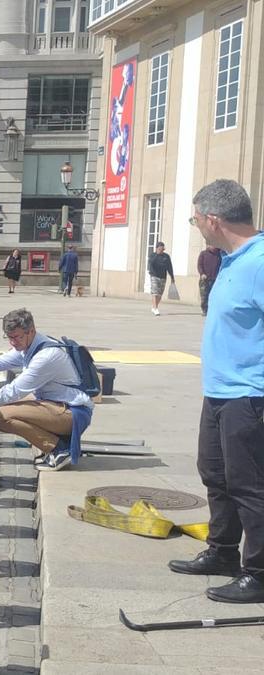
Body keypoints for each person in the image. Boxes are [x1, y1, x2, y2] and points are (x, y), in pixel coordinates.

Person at [167, 179, 264, 604]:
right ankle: (223, 551)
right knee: (216, 474)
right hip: (221, 390)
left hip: (250, 393)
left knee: (251, 485)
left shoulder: (259, 261)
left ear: (213, 219)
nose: (197, 228)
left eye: (195, 220)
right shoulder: (230, 258)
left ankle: (258, 573)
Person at [0, 308, 93, 471]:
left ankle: (59, 449)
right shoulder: (30, 346)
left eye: (17, 337)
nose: (13, 343)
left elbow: (14, 390)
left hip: (73, 413)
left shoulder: (46, 356)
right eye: (9, 338)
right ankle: (56, 446)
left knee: (1, 415)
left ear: (31, 331)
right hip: (58, 405)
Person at [148, 241, 175, 316]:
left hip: (163, 277)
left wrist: (172, 277)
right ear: (156, 248)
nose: (162, 250)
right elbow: (151, 263)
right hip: (154, 276)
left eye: (163, 249)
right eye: (160, 249)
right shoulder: (152, 255)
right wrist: (157, 254)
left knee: (160, 294)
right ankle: (155, 308)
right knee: (155, 292)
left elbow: (169, 267)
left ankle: (154, 307)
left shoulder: (166, 256)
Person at [197, 244, 222, 316]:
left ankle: (211, 310)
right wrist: (202, 274)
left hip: (215, 279)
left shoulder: (219, 254)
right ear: (208, 246)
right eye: (212, 245)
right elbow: (199, 265)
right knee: (204, 296)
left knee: (214, 296)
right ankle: (205, 310)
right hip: (205, 279)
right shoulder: (203, 254)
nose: (214, 247)